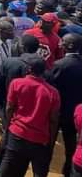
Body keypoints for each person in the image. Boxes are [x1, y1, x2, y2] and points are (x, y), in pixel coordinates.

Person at [0, 56, 60, 177]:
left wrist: (7, 130)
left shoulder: (17, 83)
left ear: (29, 69)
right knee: (39, 171)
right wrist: (50, 143)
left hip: (17, 135)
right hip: (40, 140)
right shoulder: (53, 92)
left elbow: (9, 108)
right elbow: (53, 120)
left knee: (9, 166)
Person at [48, 33, 82, 177]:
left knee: (48, 143)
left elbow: (50, 89)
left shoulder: (59, 65)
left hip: (57, 112)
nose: (60, 43)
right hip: (74, 114)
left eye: (63, 41)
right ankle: (67, 170)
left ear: (70, 46)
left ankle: (43, 169)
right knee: (71, 145)